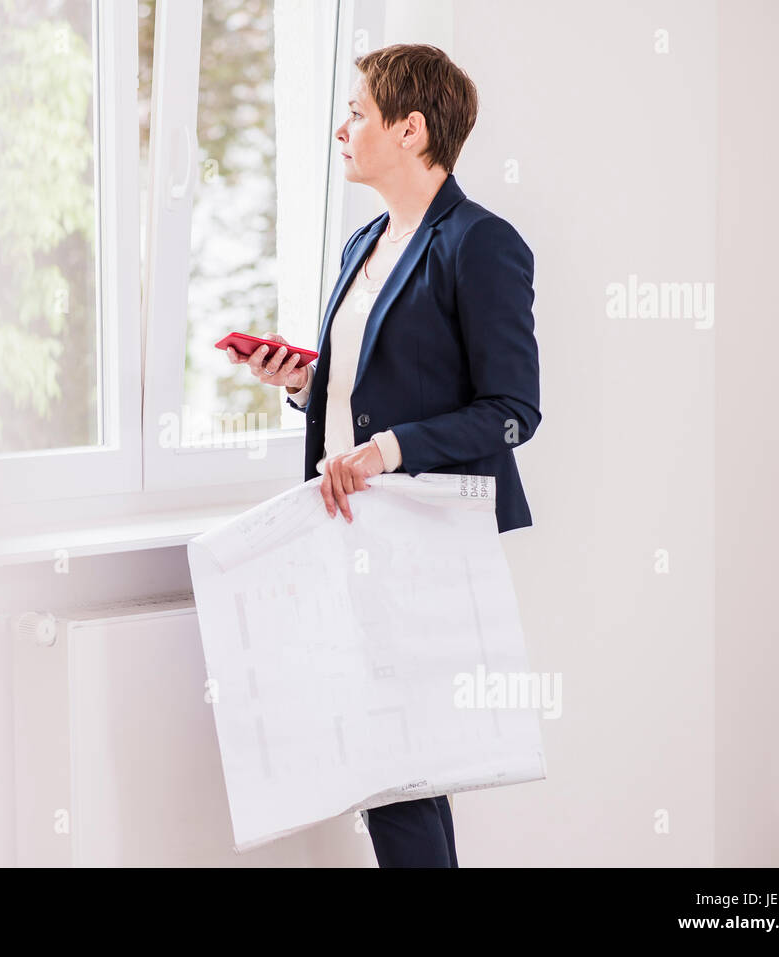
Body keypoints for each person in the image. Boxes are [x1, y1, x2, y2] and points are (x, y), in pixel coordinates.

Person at [228, 43, 541, 868]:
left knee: (398, 770)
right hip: (348, 534)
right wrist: (303, 384)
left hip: (423, 542)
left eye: (358, 112)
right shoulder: (361, 244)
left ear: (410, 130)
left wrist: (388, 450)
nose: (342, 127)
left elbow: (513, 413)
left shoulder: (481, 244)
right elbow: (369, 389)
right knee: (395, 773)